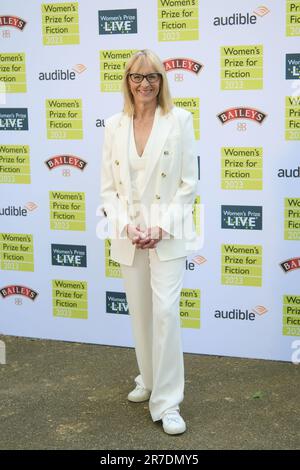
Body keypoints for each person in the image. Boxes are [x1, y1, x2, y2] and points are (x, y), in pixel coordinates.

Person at [100, 49, 199, 435]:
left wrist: (160, 227)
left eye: (152, 76)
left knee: (166, 314)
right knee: (140, 313)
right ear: (127, 81)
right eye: (137, 77)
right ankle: (149, 379)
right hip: (130, 237)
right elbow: (108, 190)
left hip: (167, 235)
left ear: (162, 81)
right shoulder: (113, 125)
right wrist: (127, 226)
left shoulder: (180, 120)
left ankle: (169, 401)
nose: (145, 84)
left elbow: (188, 185)